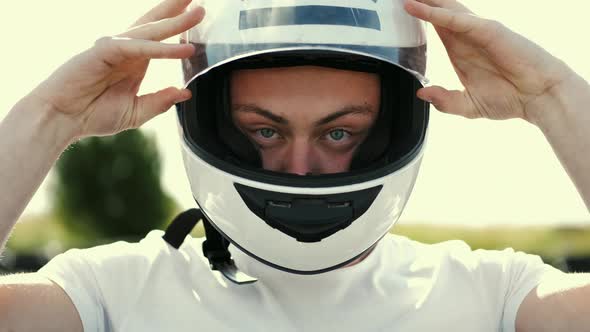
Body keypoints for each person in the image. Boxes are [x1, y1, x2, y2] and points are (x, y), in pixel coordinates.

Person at [0, 0, 589, 331]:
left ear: (390, 130)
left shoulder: (496, 296)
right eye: (264, 129)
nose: (301, 167)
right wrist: (50, 117)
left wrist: (554, 96)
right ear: (214, 124)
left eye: (339, 132)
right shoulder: (108, 292)